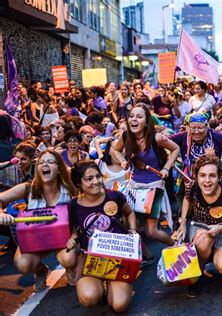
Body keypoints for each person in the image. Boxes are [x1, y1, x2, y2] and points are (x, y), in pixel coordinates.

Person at [0, 150, 77, 292]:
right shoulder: (28, 188)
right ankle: (41, 270)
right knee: (22, 264)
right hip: (37, 238)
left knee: (69, 259)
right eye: (41, 162)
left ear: (60, 169)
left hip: (64, 239)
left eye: (50, 162)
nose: (45, 165)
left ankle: (71, 268)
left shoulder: (70, 188)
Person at [67, 161, 137, 313]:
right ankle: (101, 289)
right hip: (90, 260)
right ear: (79, 183)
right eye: (89, 179)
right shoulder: (72, 205)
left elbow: (130, 213)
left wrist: (132, 229)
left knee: (119, 305)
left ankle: (118, 288)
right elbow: (73, 228)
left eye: (98, 176)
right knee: (89, 297)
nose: (96, 182)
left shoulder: (115, 196)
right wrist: (73, 237)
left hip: (119, 257)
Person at [112, 103, 180, 262]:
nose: (134, 120)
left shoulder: (156, 138)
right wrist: (122, 161)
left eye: (139, 116)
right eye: (132, 116)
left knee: (152, 232)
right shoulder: (125, 137)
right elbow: (115, 151)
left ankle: (178, 247)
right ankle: (146, 255)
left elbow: (176, 149)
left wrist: (166, 169)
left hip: (153, 187)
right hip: (133, 186)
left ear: (146, 121)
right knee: (130, 226)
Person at [176, 155, 222, 297]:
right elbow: (186, 200)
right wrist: (182, 222)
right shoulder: (192, 188)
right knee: (205, 237)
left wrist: (220, 229)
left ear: (219, 177)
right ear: (196, 177)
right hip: (200, 228)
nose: (207, 181)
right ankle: (197, 275)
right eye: (202, 176)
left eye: (212, 176)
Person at [169, 112, 222, 177]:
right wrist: (171, 157)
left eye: (200, 128)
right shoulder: (183, 136)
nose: (196, 132)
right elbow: (163, 141)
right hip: (190, 179)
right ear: (187, 127)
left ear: (207, 127)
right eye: (193, 128)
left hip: (212, 179)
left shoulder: (214, 135)